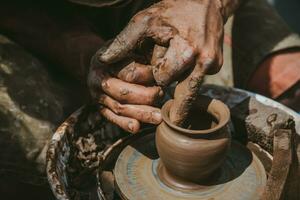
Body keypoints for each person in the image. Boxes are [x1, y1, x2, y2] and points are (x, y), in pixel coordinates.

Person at [0, 0, 299, 198]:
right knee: (38, 145)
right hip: (33, 12)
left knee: (291, 84)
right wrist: (73, 48)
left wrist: (212, 5)